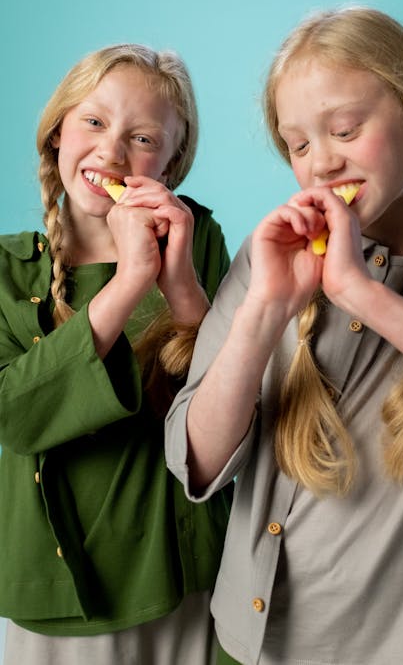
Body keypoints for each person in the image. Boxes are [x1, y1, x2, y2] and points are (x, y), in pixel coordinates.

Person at [165, 7, 403, 665]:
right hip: (259, 646)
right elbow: (194, 461)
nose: (321, 162)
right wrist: (264, 308)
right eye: (298, 145)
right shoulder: (266, 268)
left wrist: (359, 292)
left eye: (344, 129)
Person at [0, 43, 232, 664]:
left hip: (184, 576)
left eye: (144, 138)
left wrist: (179, 284)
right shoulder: (6, 270)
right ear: (56, 134)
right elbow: (17, 417)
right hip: (59, 597)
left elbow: (231, 407)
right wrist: (132, 278)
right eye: (94, 122)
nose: (111, 151)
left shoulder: (200, 237)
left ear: (172, 163)